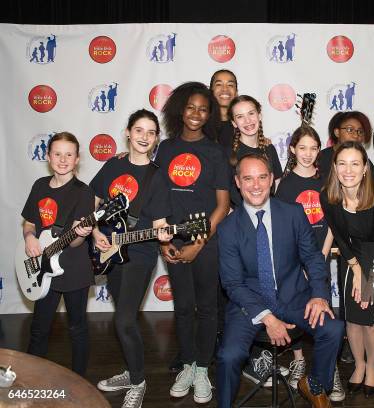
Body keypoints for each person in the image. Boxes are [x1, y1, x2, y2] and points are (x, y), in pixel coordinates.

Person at [216, 154, 344, 408]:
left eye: (262, 177)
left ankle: (315, 385)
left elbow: (313, 258)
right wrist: (267, 317)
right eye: (248, 179)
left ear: (271, 180)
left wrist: (319, 294)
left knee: (333, 329)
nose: (256, 185)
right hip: (249, 303)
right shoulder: (228, 228)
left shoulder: (293, 213)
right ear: (238, 183)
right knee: (229, 355)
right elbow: (232, 284)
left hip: (294, 296)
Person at [155, 81, 231, 404]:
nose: (196, 114)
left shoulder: (215, 151)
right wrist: (163, 243)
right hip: (172, 242)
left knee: (208, 308)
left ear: (210, 114)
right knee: (183, 307)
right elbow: (155, 198)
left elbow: (223, 205)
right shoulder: (165, 148)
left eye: (203, 109)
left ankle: (202, 368)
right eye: (190, 107)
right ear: (179, 110)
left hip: (207, 242)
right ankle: (187, 364)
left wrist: (199, 243)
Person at [91, 109, 173, 408]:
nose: (144, 137)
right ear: (128, 132)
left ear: (155, 139)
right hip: (110, 251)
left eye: (151, 133)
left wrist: (164, 232)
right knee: (123, 321)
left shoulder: (157, 176)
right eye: (139, 130)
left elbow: (160, 221)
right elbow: (94, 202)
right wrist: (95, 232)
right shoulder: (112, 166)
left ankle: (138, 381)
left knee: (124, 320)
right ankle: (131, 372)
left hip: (140, 253)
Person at [276, 125, 345, 401]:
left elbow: (331, 222)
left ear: (320, 151)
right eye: (302, 147)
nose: (307, 153)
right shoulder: (283, 185)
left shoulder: (326, 182)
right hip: (293, 265)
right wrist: (299, 266)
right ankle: (299, 361)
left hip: (319, 262)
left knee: (322, 316)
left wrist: (321, 258)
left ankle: (329, 370)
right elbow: (281, 230)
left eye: (313, 148)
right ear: (292, 149)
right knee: (296, 317)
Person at [321, 141, 374, 399]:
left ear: (365, 168)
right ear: (335, 167)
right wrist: (354, 268)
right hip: (350, 258)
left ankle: (372, 365)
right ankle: (359, 364)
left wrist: (369, 279)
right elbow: (339, 235)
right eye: (342, 163)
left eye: (355, 163)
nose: (348, 170)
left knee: (370, 320)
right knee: (352, 318)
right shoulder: (327, 196)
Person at [21, 132, 94, 376]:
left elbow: (74, 243)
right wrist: (29, 237)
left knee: (77, 329)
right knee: (39, 329)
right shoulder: (39, 186)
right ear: (48, 156)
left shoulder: (83, 192)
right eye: (57, 154)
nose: (63, 159)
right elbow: (29, 223)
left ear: (77, 159)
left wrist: (81, 232)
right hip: (42, 270)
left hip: (74, 271)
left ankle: (80, 382)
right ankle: (30, 380)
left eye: (69, 154)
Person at [227, 95, 282, 207]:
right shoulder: (227, 154)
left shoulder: (269, 149)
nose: (247, 120)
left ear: (259, 115)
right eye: (240, 116)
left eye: (251, 113)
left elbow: (277, 184)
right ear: (234, 123)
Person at [318, 111, 374, 183]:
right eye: (350, 130)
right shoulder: (320, 159)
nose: (356, 135)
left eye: (360, 131)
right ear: (337, 132)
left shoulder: (366, 164)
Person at [210, 69, 238, 148]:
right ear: (211, 90)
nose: (225, 89)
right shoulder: (201, 124)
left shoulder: (243, 125)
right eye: (219, 84)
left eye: (230, 85)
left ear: (236, 92)